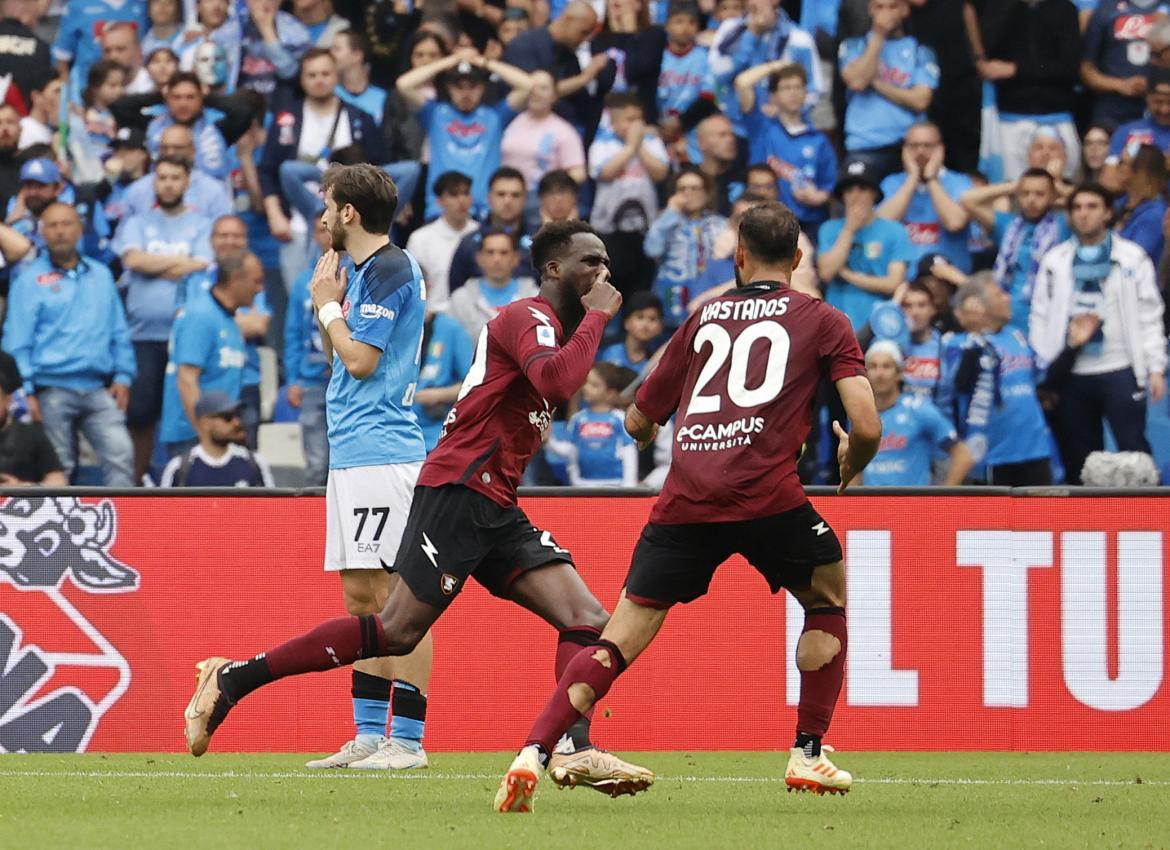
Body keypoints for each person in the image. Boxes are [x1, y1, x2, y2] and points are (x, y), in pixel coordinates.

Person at [184, 219, 653, 799]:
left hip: (496, 502)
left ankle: (575, 748)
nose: (603, 273)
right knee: (397, 630)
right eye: (590, 261)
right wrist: (602, 316)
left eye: (606, 262)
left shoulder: (554, 327)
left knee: (586, 620)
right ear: (554, 269)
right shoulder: (525, 316)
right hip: (457, 490)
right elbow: (558, 383)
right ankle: (233, 679)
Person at [494, 201, 881, 812]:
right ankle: (808, 753)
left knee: (615, 641)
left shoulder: (704, 318)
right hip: (769, 497)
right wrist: (851, 463)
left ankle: (534, 753)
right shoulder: (826, 319)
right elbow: (865, 422)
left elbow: (639, 417)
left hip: (685, 500)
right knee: (826, 596)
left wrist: (648, 432)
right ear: (799, 259)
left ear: (739, 256)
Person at [1030, 183, 1167, 484]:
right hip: (1072, 373)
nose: (1084, 214)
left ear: (1107, 213)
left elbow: (1150, 314)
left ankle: (1149, 521)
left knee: (1136, 452)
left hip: (1120, 367)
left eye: (1092, 207)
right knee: (1079, 460)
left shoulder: (1132, 257)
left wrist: (1155, 366)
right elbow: (1040, 315)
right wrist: (1049, 364)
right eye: (1077, 207)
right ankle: (1086, 525)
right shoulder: (1055, 260)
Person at [3, 203, 135, 486]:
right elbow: (17, 342)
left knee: (121, 454)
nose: (60, 231)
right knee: (60, 463)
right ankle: (61, 528)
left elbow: (119, 331)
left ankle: (123, 525)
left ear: (80, 229)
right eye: (52, 225)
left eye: (67, 224)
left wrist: (124, 375)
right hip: (50, 388)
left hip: (98, 386)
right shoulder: (29, 281)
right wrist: (26, 391)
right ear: (42, 233)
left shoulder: (101, 275)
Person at [113, 155, 213, 481]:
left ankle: (188, 485)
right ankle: (134, 486)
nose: (168, 183)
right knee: (139, 415)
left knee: (187, 414)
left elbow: (200, 265)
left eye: (175, 177)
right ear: (154, 182)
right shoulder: (137, 222)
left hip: (186, 337)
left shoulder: (202, 224)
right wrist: (178, 262)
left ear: (187, 182)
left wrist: (150, 262)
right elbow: (132, 259)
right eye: (162, 178)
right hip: (142, 335)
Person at [396, 48, 533, 220]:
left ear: (483, 88)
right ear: (449, 88)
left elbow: (527, 85)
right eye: (459, 86)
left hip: (484, 213)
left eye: (472, 86)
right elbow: (404, 84)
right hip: (440, 212)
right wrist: (452, 60)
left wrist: (483, 62)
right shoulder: (434, 114)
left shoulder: (495, 117)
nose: (466, 93)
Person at [157, 252, 261, 461]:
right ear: (235, 280)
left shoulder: (228, 319)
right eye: (256, 282)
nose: (260, 289)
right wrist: (205, 436)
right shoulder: (200, 316)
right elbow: (186, 379)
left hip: (216, 436)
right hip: (192, 437)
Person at [979, 0, 1082, 181]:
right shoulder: (1002, 9)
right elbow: (988, 54)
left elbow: (1069, 68)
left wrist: (1016, 70)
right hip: (1010, 117)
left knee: (1059, 186)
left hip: (1056, 115)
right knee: (1011, 188)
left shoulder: (1065, 9)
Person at [837, 0, 938, 179]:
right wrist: (878, 36)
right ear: (870, 10)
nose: (886, 13)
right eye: (879, 7)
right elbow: (858, 81)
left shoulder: (920, 50)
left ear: (905, 10)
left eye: (893, 7)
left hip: (910, 146)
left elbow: (920, 100)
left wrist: (875, 83)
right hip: (865, 144)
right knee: (858, 203)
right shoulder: (853, 45)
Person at [961, 167, 1069, 334]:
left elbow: (1089, 201)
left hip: (1050, 317)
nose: (1031, 199)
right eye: (1025, 193)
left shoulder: (1065, 225)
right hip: (1009, 319)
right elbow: (967, 199)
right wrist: (1012, 186)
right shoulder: (1007, 224)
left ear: (1052, 197)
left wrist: (1058, 186)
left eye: (1040, 194)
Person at [734, 61, 835, 238]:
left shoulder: (818, 140)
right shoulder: (761, 127)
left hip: (807, 223)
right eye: (786, 87)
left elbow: (829, 185)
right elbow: (742, 82)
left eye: (798, 87)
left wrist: (818, 197)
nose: (793, 92)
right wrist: (776, 66)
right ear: (773, 96)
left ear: (805, 93)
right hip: (763, 221)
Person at [588, 92, 669, 297]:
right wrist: (631, 146)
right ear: (614, 123)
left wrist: (639, 145)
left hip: (644, 230)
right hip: (608, 232)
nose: (636, 125)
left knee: (640, 289)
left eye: (639, 119)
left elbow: (661, 173)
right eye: (629, 119)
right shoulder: (602, 144)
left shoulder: (651, 142)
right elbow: (605, 173)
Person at [817, 159, 914, 331]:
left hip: (880, 323)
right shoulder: (829, 229)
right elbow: (826, 272)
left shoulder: (895, 231)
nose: (855, 195)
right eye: (849, 190)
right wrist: (849, 229)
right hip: (838, 322)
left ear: (874, 194)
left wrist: (847, 275)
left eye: (862, 189)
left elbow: (893, 284)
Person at [861, 341, 972, 486]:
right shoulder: (859, 415)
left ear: (899, 373)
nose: (879, 373)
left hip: (912, 506)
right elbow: (855, 468)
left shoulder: (919, 410)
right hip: (871, 507)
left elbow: (963, 455)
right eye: (873, 366)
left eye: (886, 366)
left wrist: (945, 498)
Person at [877, 122, 974, 273]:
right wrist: (912, 179)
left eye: (928, 146)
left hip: (947, 283)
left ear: (941, 149)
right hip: (901, 282)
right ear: (904, 150)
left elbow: (955, 222)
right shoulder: (891, 183)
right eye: (914, 146)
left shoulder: (960, 182)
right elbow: (881, 226)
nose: (920, 151)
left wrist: (931, 180)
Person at [643, 166, 728, 328]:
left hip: (708, 295)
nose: (688, 193)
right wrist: (671, 213)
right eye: (682, 189)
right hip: (672, 295)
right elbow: (651, 249)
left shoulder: (720, 224)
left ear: (706, 193)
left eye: (695, 188)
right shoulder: (665, 220)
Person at [284, 217, 333, 486]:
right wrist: (292, 379)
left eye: (329, 228)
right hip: (311, 381)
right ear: (313, 236)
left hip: (344, 380)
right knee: (316, 465)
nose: (326, 235)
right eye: (320, 230)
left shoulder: (355, 275)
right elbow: (292, 334)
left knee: (343, 462)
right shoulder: (304, 281)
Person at [545, 362, 639, 487]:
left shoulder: (619, 418)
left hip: (615, 486)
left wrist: (629, 486)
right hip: (583, 486)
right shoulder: (577, 419)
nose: (586, 388)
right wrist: (549, 442)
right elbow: (571, 451)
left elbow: (629, 452)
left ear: (610, 393)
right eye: (586, 383)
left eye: (594, 385)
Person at [158, 391, 275, 487]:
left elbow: (273, 510)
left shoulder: (254, 462)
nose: (236, 423)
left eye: (237, 415)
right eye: (227, 417)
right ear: (205, 423)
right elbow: (164, 513)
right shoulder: (179, 468)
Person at [1081, 0, 1166, 129]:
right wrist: (1121, 85)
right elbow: (1086, 68)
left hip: (1162, 108)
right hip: (1112, 109)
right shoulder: (1106, 8)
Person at [448, 167, 535, 293]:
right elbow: (456, 292)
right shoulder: (469, 244)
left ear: (525, 199)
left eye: (515, 195)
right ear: (489, 197)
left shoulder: (541, 241)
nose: (507, 201)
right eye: (501, 194)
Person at [500, 69, 587, 191]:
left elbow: (578, 173)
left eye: (543, 88)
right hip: (507, 195)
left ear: (554, 96)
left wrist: (552, 189)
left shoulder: (564, 131)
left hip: (538, 197)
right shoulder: (512, 120)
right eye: (532, 87)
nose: (536, 92)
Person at [403, 171, 479, 310]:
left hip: (475, 318)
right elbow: (413, 288)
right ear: (439, 201)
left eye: (466, 193)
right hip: (435, 315)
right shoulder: (420, 239)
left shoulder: (482, 235)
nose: (461, 200)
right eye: (454, 195)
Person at [449, 229, 539, 342]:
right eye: (490, 252)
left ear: (515, 258)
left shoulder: (534, 298)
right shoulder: (461, 300)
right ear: (479, 258)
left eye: (504, 252)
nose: (497, 259)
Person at [0, 351, 67, 487]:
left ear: (8, 400)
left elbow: (58, 479)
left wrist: (24, 489)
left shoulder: (32, 434)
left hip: (21, 504)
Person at [413, 309, 474, 453]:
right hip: (397, 440)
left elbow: (475, 384)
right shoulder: (392, 328)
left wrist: (439, 395)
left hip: (438, 440)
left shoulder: (451, 329)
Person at [1102, 68, 1170, 192]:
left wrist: (1135, 166)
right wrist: (1160, 165)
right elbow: (1108, 182)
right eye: (1158, 102)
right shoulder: (1127, 131)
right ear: (1147, 98)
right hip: (1131, 205)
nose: (1164, 109)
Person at [1112, 143, 1169, 264]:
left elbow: (1134, 258)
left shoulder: (1155, 215)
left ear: (1142, 171)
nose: (1117, 167)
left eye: (1123, 163)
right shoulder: (1118, 204)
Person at [900, 279, 944, 401]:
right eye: (908, 306)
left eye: (922, 305)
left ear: (933, 309)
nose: (915, 312)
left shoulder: (945, 346)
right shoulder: (889, 345)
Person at [597, 291, 663, 373]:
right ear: (626, 323)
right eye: (640, 317)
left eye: (652, 319)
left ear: (660, 327)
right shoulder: (608, 352)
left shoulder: (655, 363)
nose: (645, 325)